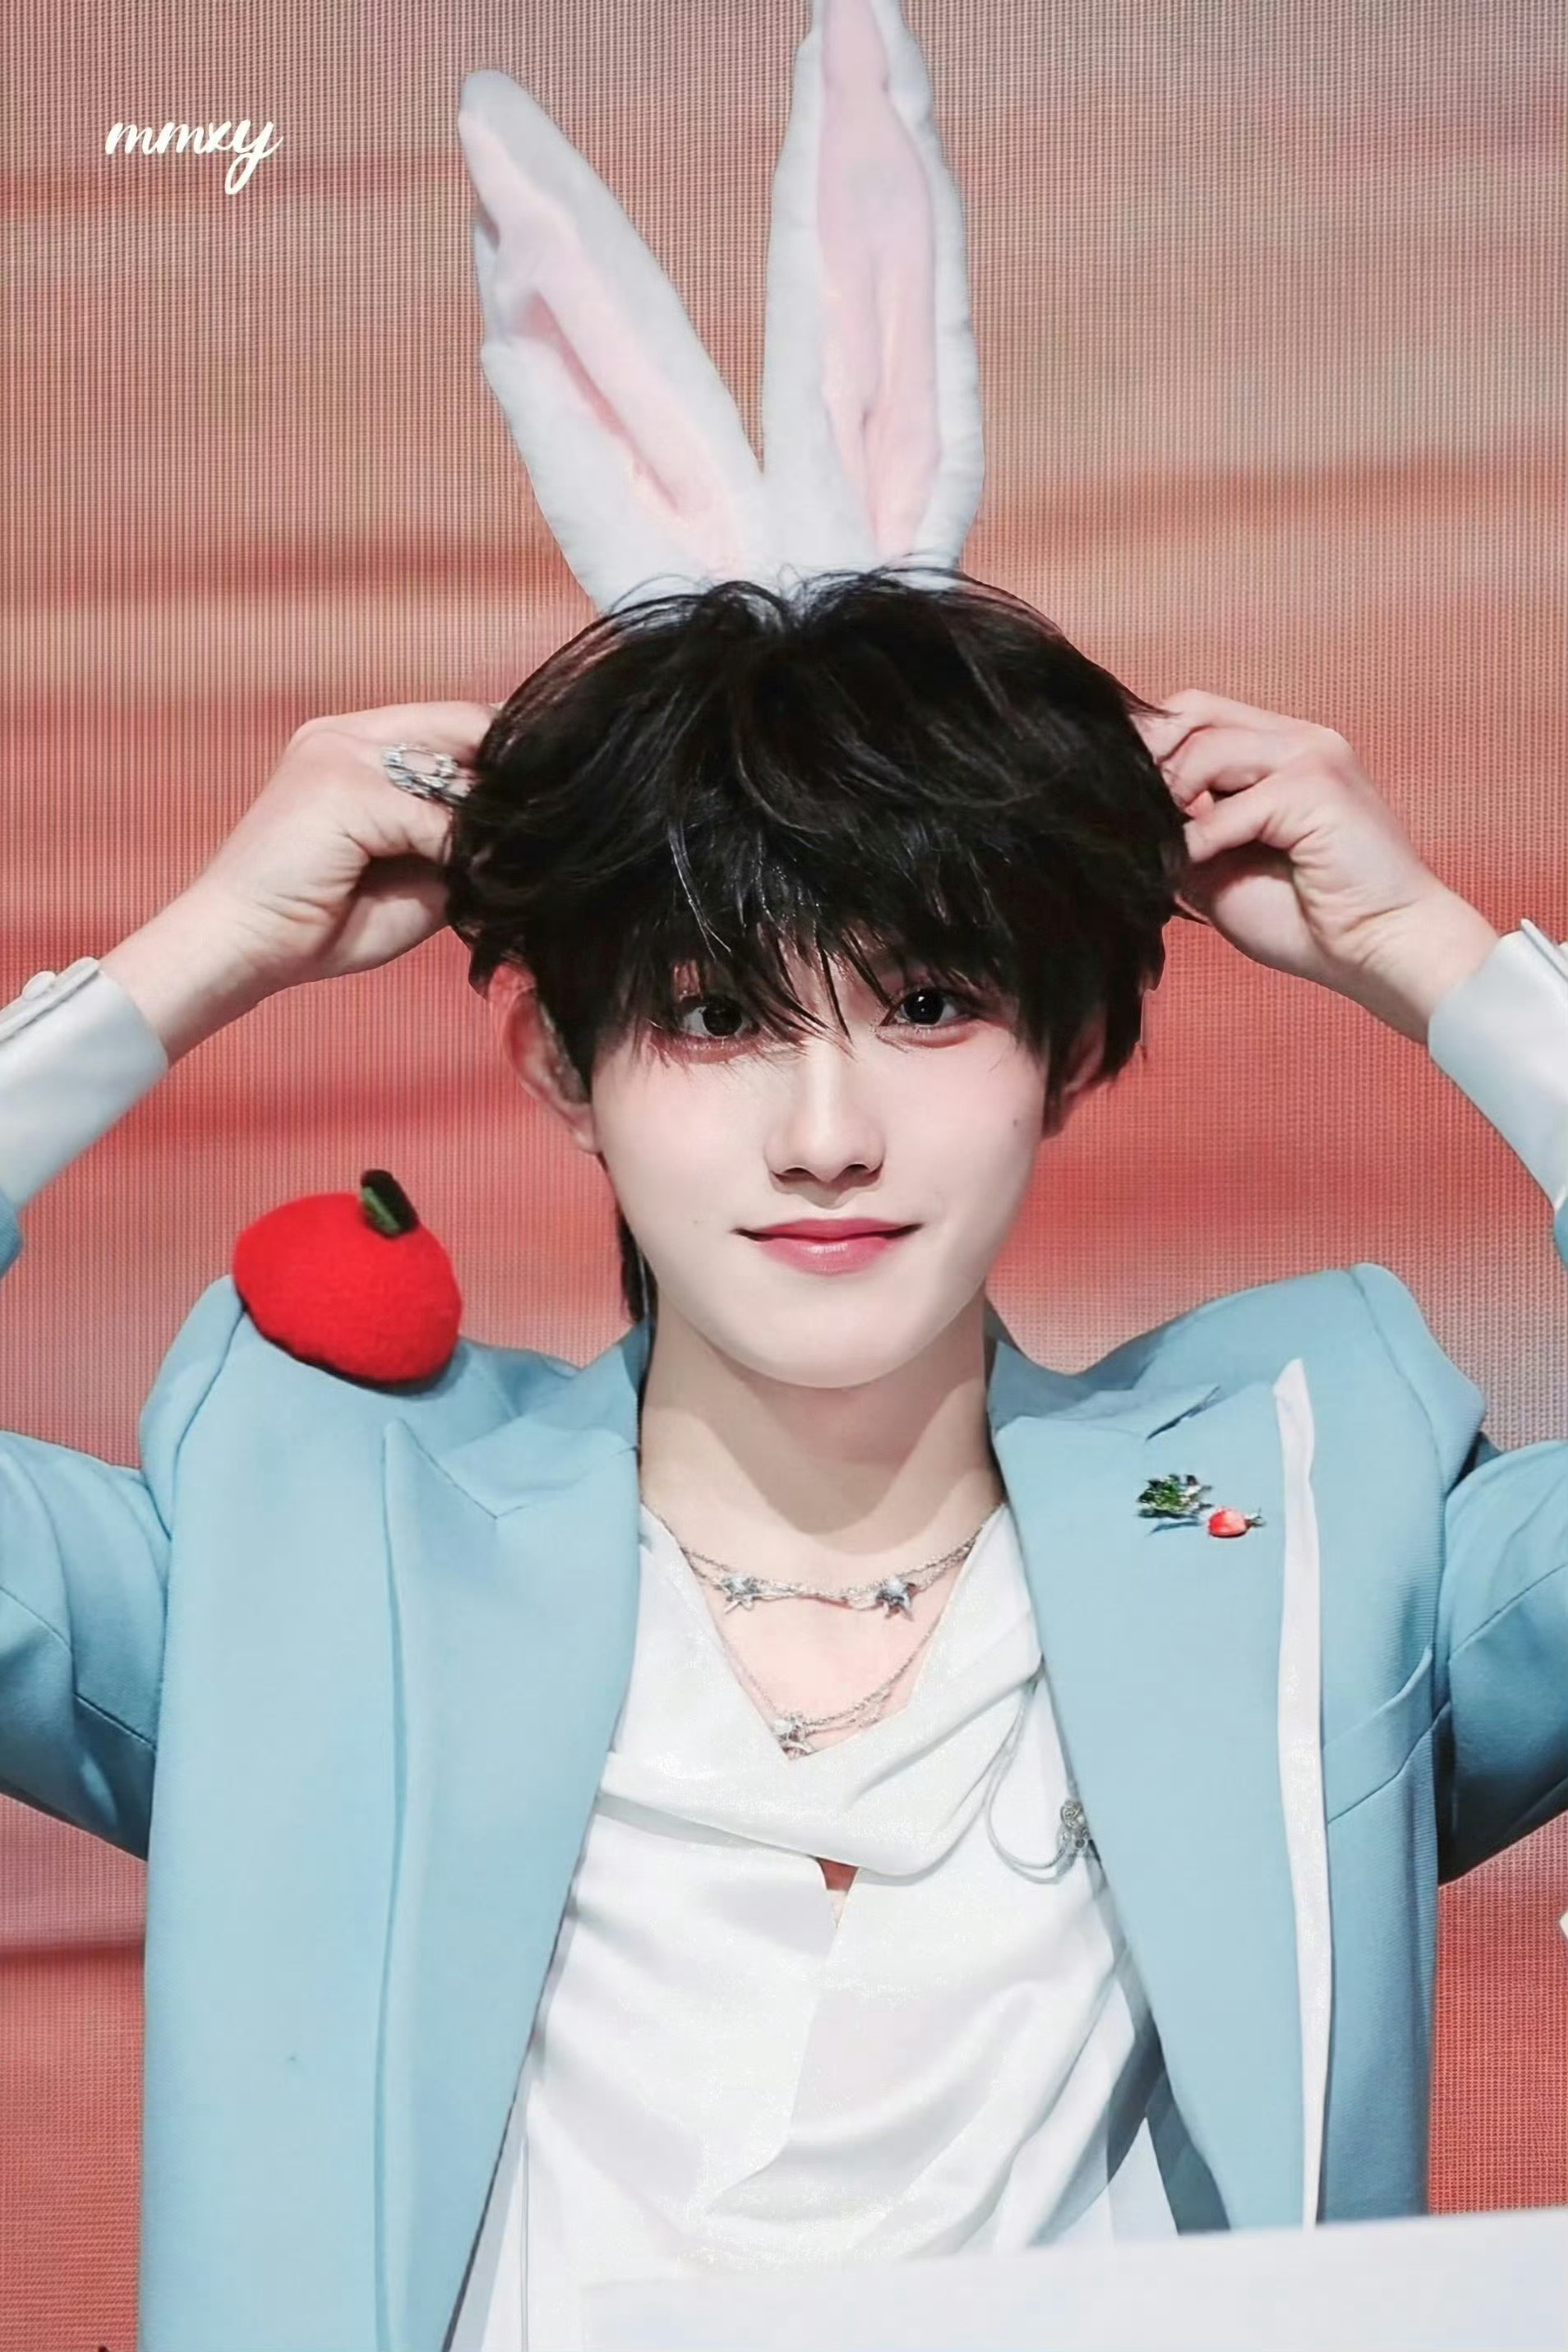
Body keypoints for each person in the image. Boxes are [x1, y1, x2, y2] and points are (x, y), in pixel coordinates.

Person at [4, 7, 1566, 2351]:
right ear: (563, 1065)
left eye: (928, 1005)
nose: (826, 1129)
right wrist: (172, 970)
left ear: (1067, 1043)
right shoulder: (308, 1538)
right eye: (719, 1019)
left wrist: (1444, 965)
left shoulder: (1302, 1509)